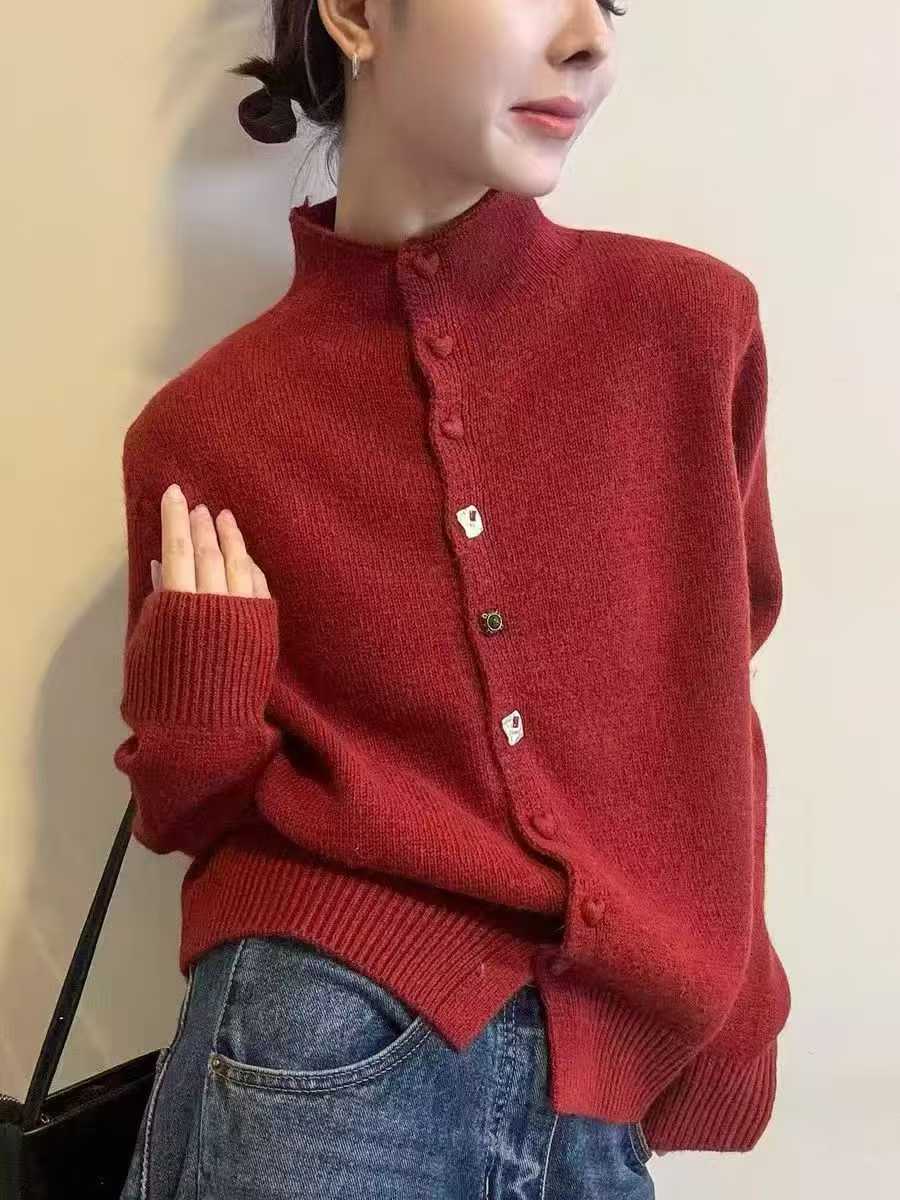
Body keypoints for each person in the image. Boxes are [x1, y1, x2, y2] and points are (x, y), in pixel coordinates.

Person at [115, 2, 791, 1197]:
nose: (590, 41)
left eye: (609, 1)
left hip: (596, 1085)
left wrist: (736, 1015)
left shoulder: (690, 329)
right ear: (357, 13)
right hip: (325, 1046)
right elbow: (192, 812)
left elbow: (710, 700)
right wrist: (201, 694)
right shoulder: (207, 428)